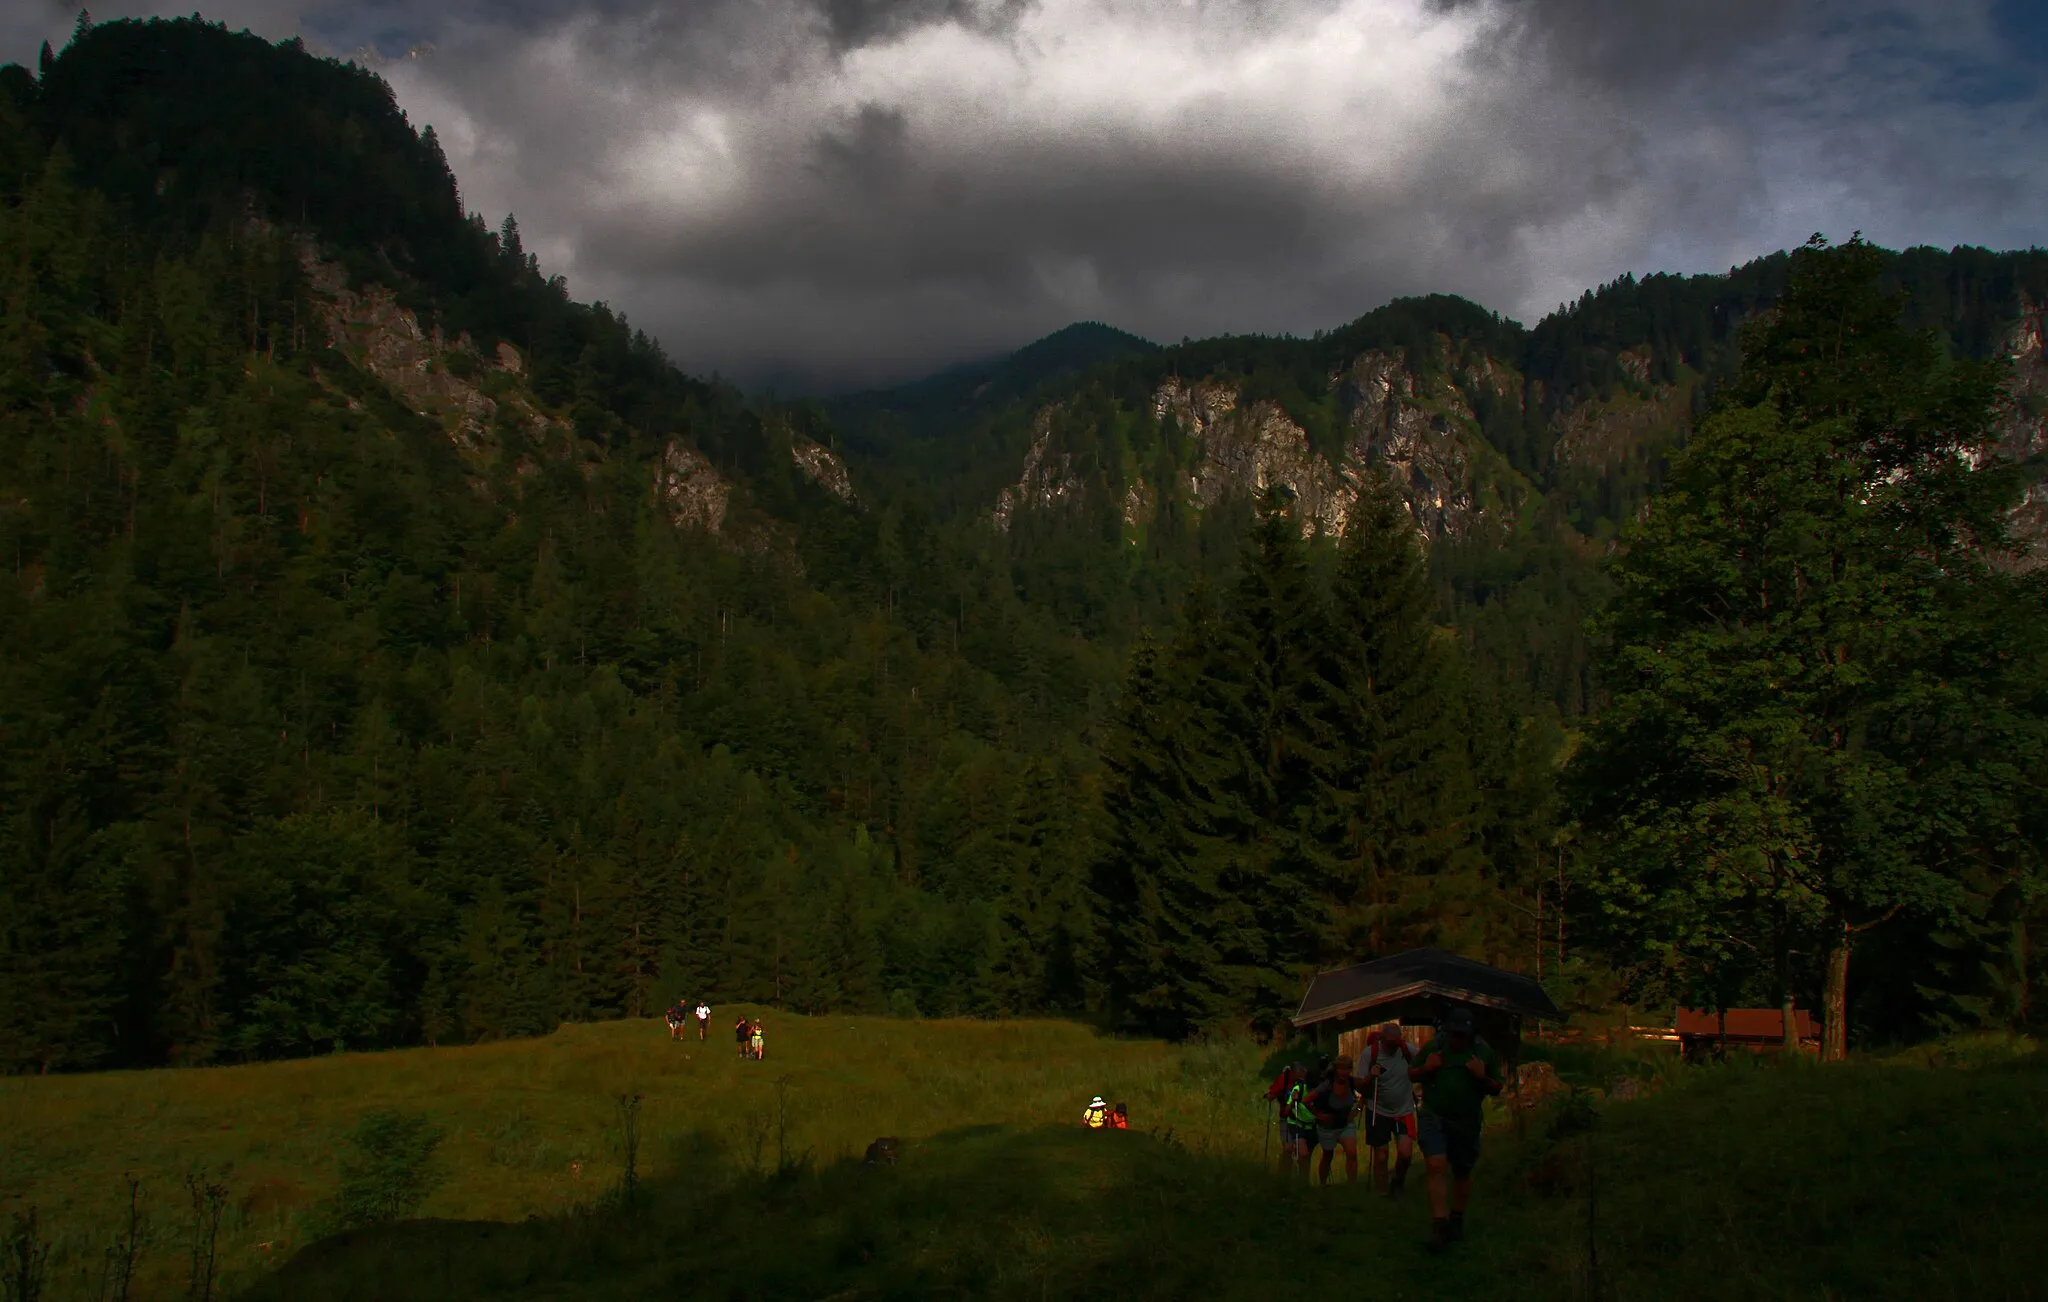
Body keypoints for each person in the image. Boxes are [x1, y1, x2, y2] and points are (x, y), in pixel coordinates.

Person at [1413, 1007, 1504, 1250]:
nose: (1457, 1040)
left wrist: (1481, 1077)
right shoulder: (1435, 1047)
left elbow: (1496, 1088)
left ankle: (1456, 1220)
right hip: (1434, 1115)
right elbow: (1411, 1073)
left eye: (1462, 1035)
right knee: (1436, 1164)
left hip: (1466, 1120)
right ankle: (1439, 1225)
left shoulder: (1483, 1053)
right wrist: (1427, 1069)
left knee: (1462, 1171)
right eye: (1453, 1034)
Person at [1361, 1022, 1419, 1196]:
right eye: (1389, 1044)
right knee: (1381, 1155)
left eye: (1396, 1043)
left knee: (1406, 1154)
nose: (1393, 1047)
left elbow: (1426, 1063)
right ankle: (1383, 1192)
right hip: (1378, 1109)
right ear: (1382, 1039)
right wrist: (1371, 1075)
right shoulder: (1370, 1053)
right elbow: (1360, 1084)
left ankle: (1398, 1183)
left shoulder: (1407, 1050)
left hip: (1404, 1109)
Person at [1306, 1054, 1365, 1185]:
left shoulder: (1352, 1082)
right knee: (1328, 1155)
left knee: (1352, 1153)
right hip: (1327, 1126)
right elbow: (1306, 1101)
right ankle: (1322, 1185)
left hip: (1345, 1123)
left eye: (1347, 1069)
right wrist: (1319, 1115)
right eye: (1341, 1069)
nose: (1344, 1072)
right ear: (1336, 1070)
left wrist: (1357, 1111)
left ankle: (1352, 1187)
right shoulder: (1327, 1086)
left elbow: (1366, 1090)